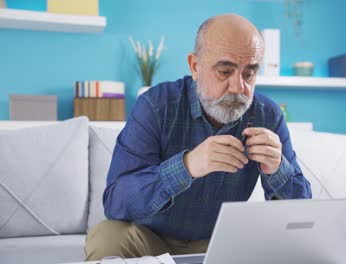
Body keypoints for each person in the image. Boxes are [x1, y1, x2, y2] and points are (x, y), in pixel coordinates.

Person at [85, 13, 312, 261]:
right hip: (150, 240)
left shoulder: (268, 115)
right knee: (107, 237)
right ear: (195, 66)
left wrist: (278, 168)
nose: (238, 88)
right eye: (225, 71)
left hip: (223, 243)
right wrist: (187, 166)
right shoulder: (155, 106)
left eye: (249, 74)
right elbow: (116, 203)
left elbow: (302, 216)